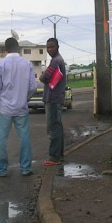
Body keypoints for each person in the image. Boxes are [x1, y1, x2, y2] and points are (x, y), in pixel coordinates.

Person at [0, 37, 37, 177]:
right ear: (18, 48)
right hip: (21, 108)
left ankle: (1, 170)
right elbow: (32, 87)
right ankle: (26, 168)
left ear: (5, 50)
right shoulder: (27, 63)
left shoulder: (1, 65)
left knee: (2, 139)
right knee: (24, 138)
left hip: (5, 108)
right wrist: (24, 98)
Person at [39, 37, 67, 166]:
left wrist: (41, 76)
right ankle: (59, 155)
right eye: (48, 47)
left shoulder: (56, 61)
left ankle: (54, 157)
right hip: (56, 98)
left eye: (52, 47)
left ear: (57, 47)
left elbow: (45, 78)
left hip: (52, 99)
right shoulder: (58, 60)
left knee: (53, 128)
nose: (50, 49)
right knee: (58, 127)